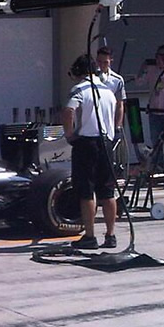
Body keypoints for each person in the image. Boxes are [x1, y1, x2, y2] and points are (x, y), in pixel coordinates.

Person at [63, 54, 117, 250]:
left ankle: (90, 235)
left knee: (87, 191)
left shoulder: (79, 89)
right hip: (106, 143)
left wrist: (69, 135)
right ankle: (111, 235)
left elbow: (69, 111)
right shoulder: (108, 91)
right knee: (108, 191)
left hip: (87, 143)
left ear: (79, 71)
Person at [136, 44, 164, 147]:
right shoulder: (152, 69)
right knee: (156, 141)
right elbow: (139, 82)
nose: (160, 59)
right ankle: (158, 162)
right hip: (154, 113)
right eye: (159, 56)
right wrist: (143, 68)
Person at [96, 47, 126, 137]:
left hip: (109, 122)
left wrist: (118, 126)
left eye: (105, 62)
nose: (102, 65)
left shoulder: (117, 80)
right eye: (99, 62)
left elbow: (120, 104)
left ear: (110, 61)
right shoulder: (89, 77)